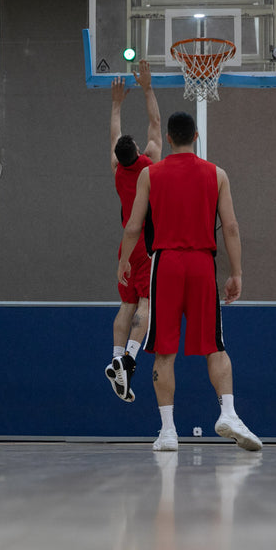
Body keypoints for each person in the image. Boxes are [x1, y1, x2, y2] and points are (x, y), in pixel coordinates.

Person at [117, 111, 262, 453]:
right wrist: (237, 272)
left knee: (164, 352)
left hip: (164, 264)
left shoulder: (150, 174)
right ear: (196, 137)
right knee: (215, 345)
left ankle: (168, 431)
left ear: (167, 139)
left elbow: (133, 225)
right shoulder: (218, 174)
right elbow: (231, 227)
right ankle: (228, 412)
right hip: (201, 264)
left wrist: (124, 259)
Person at [105, 59, 162, 403]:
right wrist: (147, 87)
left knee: (125, 305)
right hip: (146, 245)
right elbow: (155, 122)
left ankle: (115, 356)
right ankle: (129, 357)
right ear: (138, 151)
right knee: (147, 303)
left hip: (124, 248)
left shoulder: (117, 170)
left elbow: (115, 136)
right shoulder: (150, 164)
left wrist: (115, 103)